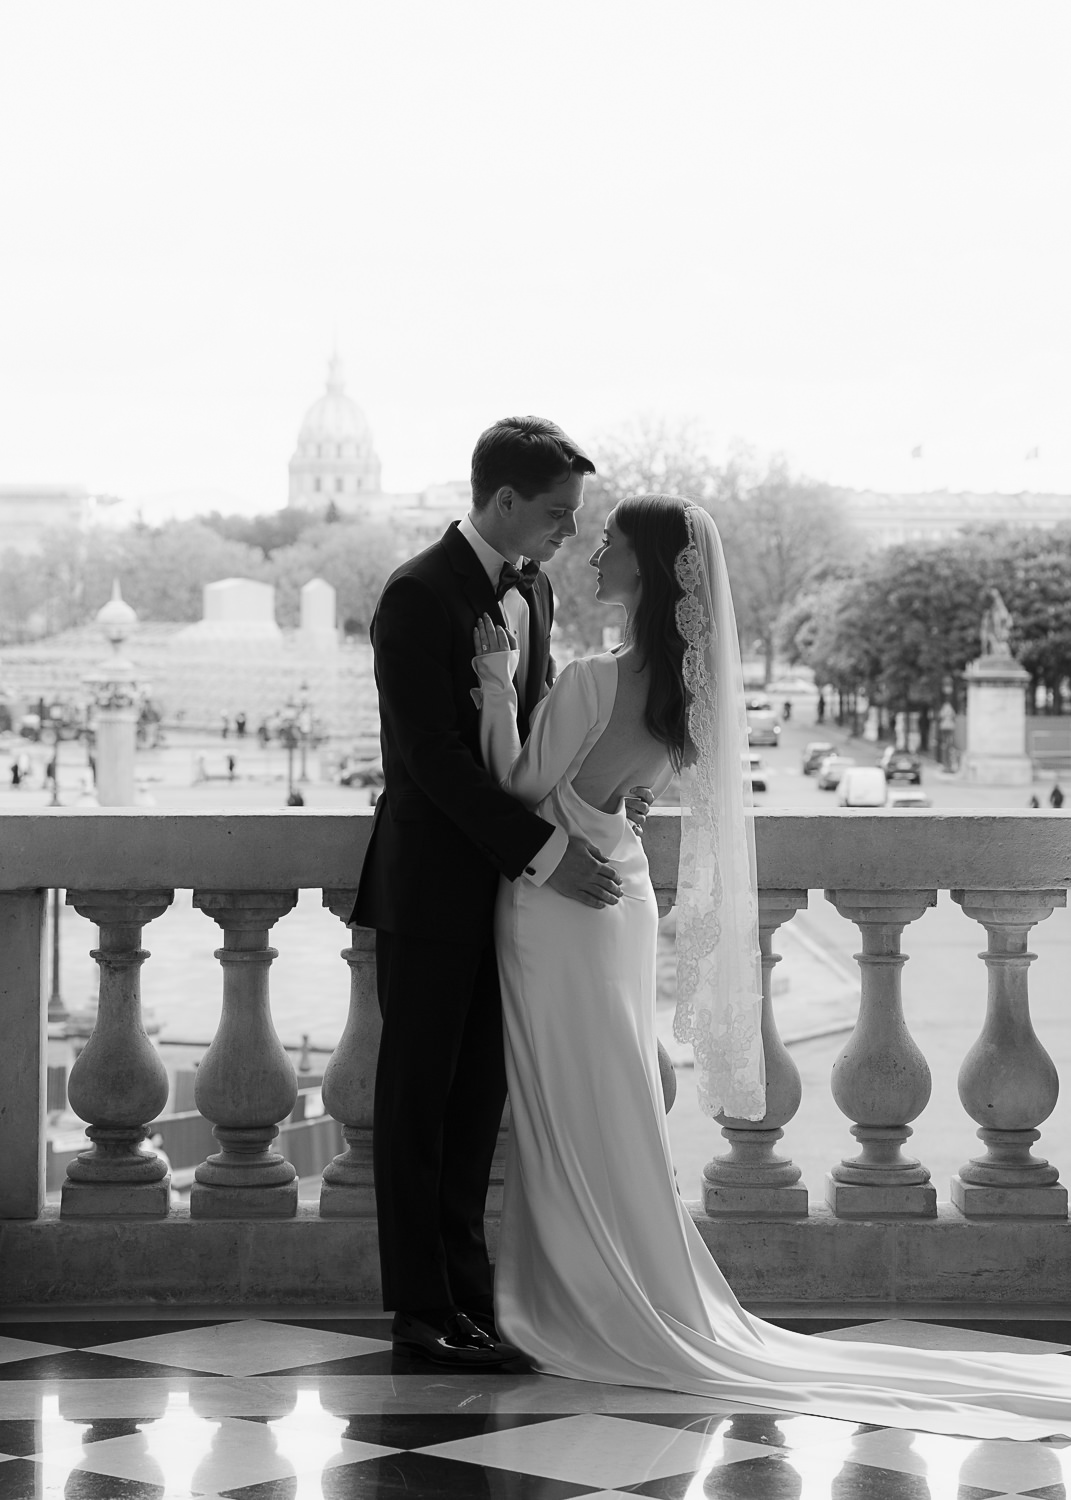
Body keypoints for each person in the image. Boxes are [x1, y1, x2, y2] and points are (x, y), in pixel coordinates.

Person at [471, 493, 1071, 1440]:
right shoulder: (681, 703)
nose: (594, 557)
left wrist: (499, 688)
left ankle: (583, 1295)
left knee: (563, 1096)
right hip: (619, 898)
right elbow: (626, 797)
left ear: (650, 570)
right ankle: (622, 1280)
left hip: (555, 904)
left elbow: (514, 784)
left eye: (612, 546)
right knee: (609, 1092)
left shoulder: (589, 680)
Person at [352, 416, 652, 1370]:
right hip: (433, 893)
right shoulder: (415, 595)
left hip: (509, 895)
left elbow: (528, 741)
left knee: (477, 1104)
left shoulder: (534, 590)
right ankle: (419, 1313)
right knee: (417, 1104)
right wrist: (541, 852)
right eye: (558, 513)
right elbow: (431, 763)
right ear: (504, 500)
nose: (569, 531)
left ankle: (472, 1303)